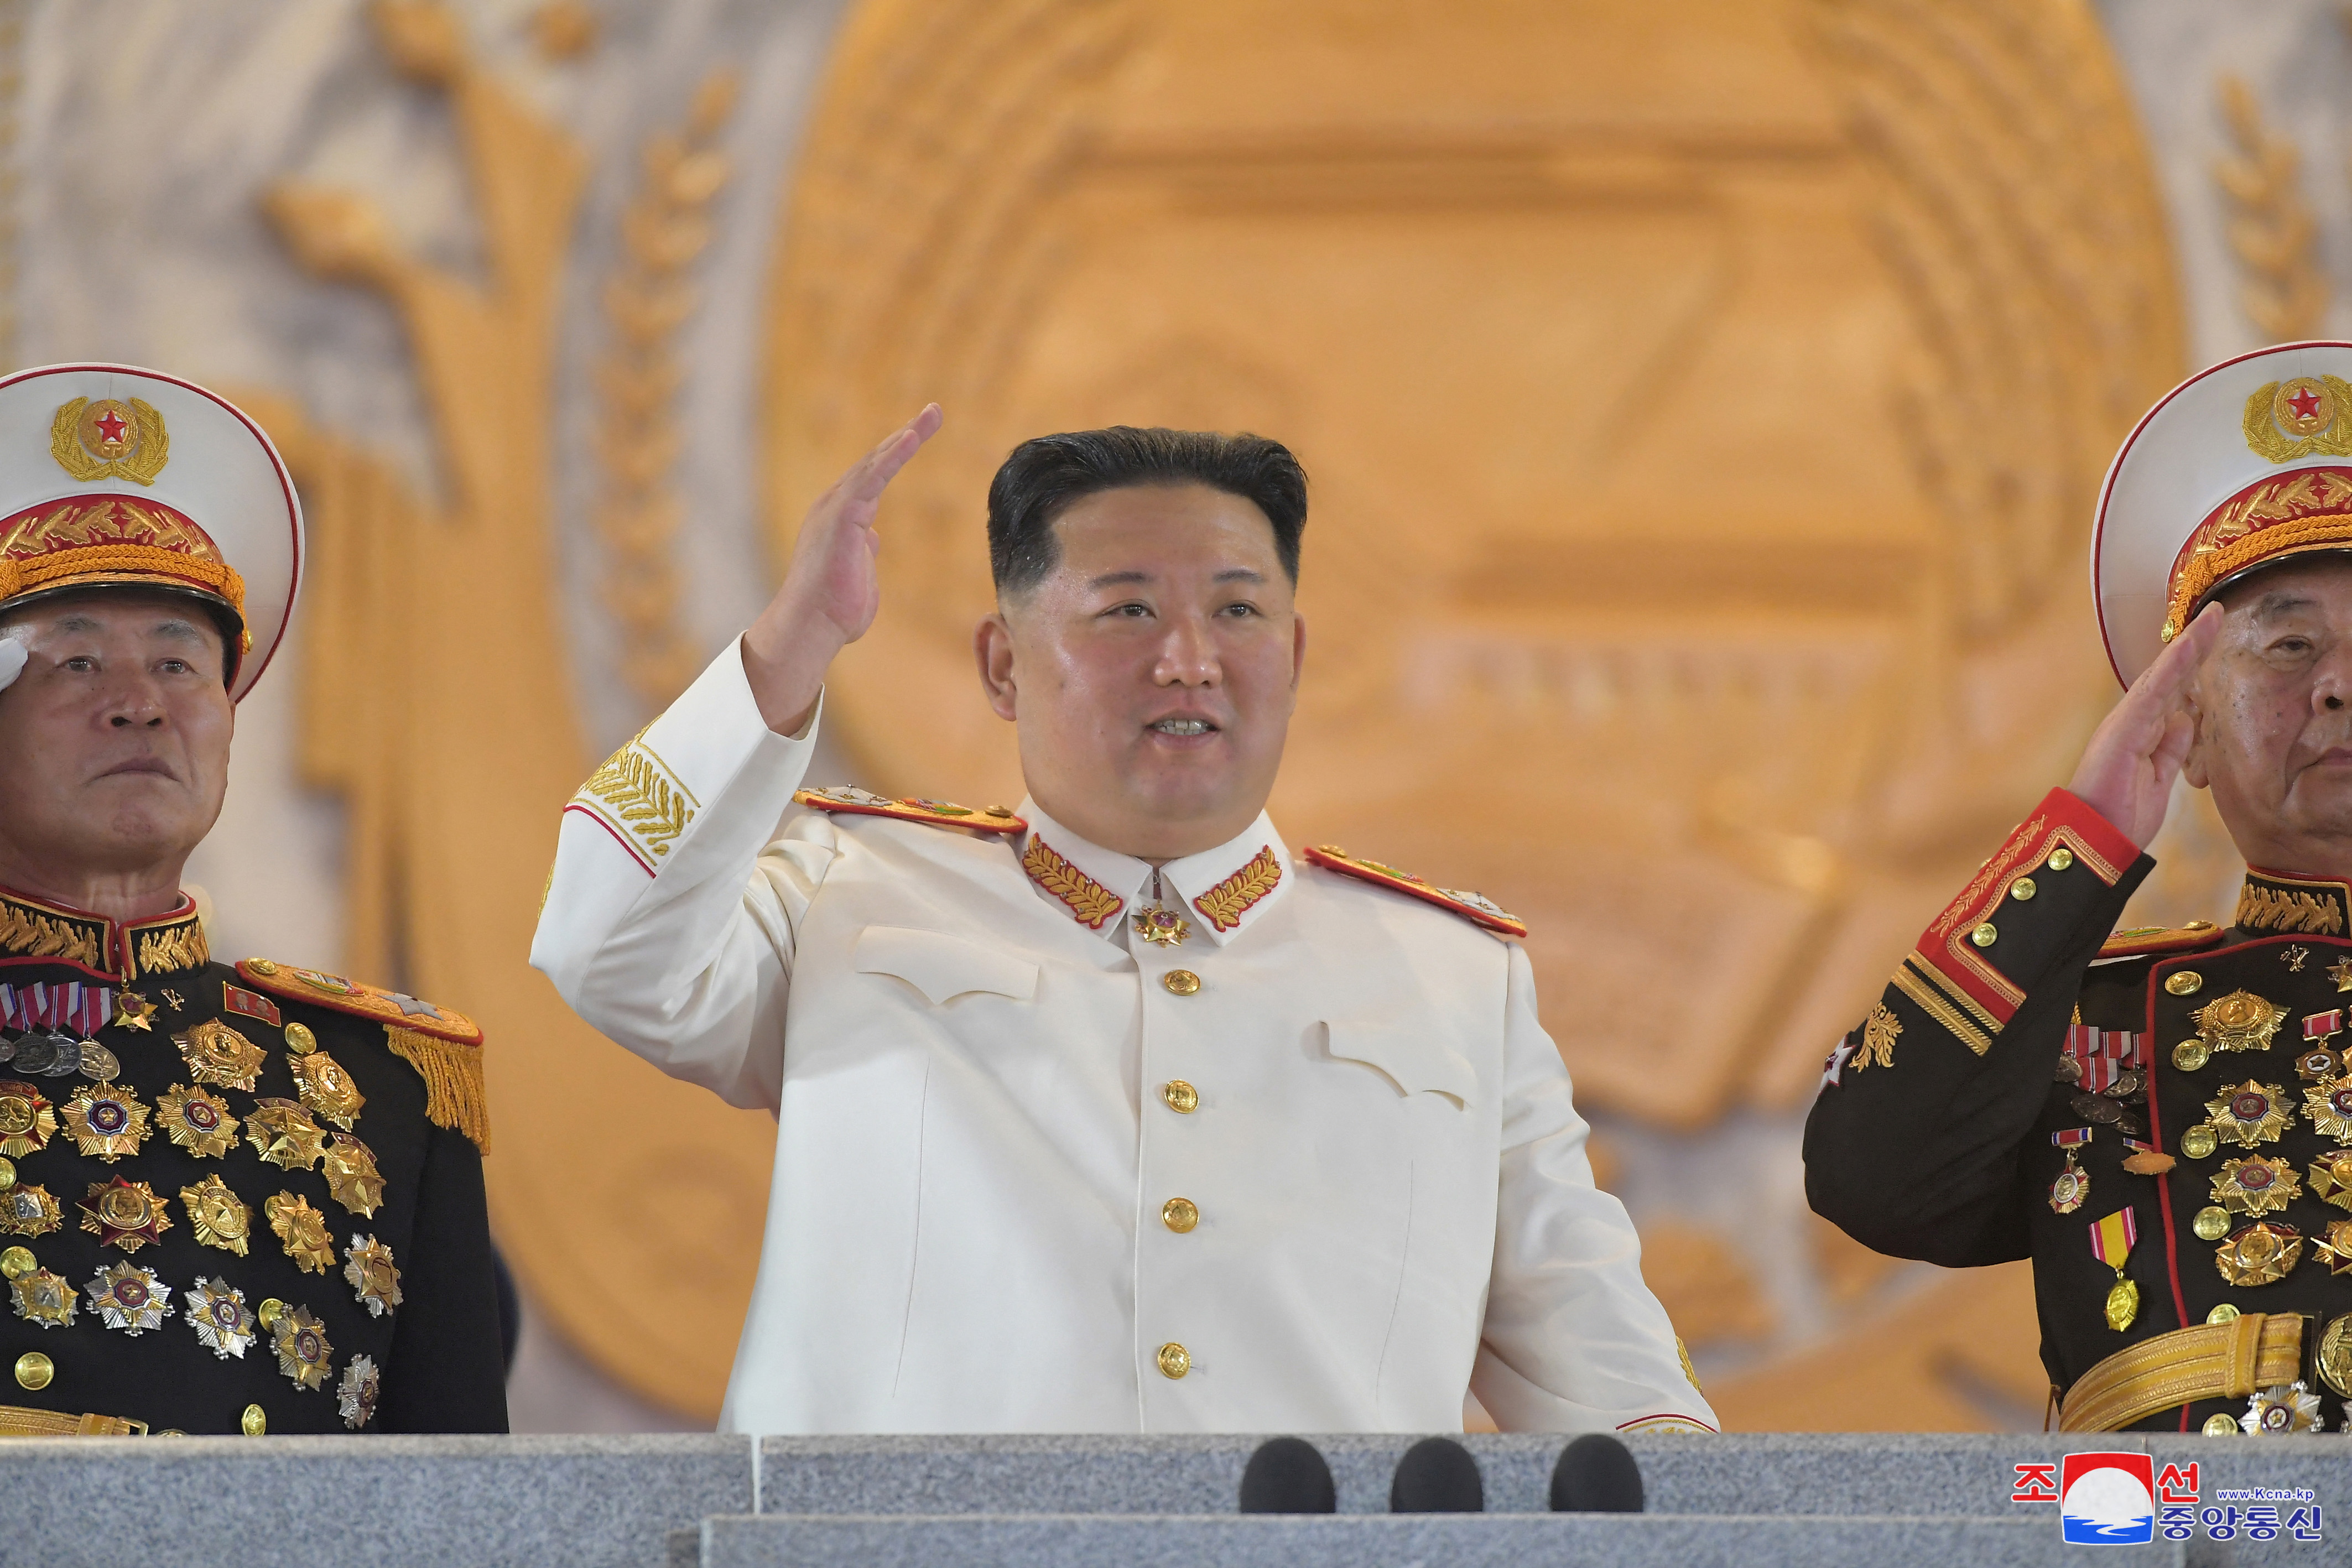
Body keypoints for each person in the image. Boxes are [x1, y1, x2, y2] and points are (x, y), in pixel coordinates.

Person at [533, 415, 1713, 1435]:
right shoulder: (841, 892)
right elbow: (601, 942)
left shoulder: (1455, 976)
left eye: (1236, 609)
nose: (1187, 658)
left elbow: (1604, 1372)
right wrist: (791, 644)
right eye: (1126, 608)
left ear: (1293, 656)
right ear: (1002, 663)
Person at [1807, 341, 2352, 1436]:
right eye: (2287, 645)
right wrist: (2083, 837)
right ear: (2185, 731)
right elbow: (1872, 1172)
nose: (2337, 683)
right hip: (2171, 1534)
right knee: (2067, 1517)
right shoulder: (2085, 1012)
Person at [0, 364, 503, 1436]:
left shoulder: (383, 1086)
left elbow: (459, 1512)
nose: (139, 704)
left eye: (181, 664)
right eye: (76, 659)